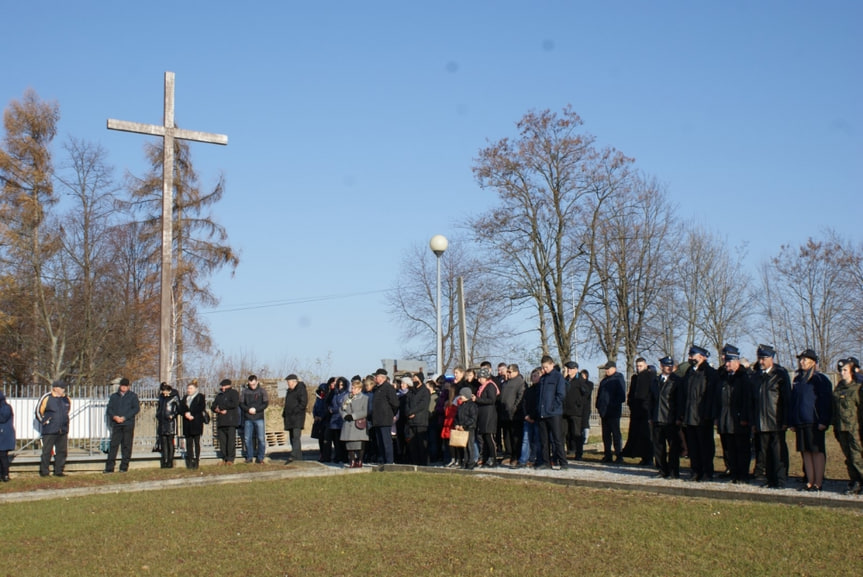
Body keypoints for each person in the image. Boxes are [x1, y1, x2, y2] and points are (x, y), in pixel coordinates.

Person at [789, 348, 832, 492]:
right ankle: (810, 480)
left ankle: (818, 482)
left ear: (813, 362)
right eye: (801, 359)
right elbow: (794, 401)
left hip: (814, 421)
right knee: (805, 451)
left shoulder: (820, 379)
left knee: (816, 451)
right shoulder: (798, 379)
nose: (802, 362)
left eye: (805, 359)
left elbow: (825, 401)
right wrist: (792, 421)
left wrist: (824, 420)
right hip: (801, 421)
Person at [750, 344, 791, 489]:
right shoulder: (757, 376)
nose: (761, 361)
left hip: (776, 419)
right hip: (761, 419)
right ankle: (770, 479)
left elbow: (786, 399)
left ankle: (780, 480)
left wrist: (786, 419)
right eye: (759, 358)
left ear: (771, 358)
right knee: (765, 452)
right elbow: (754, 401)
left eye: (764, 358)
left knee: (778, 452)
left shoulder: (780, 374)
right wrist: (754, 421)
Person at [680, 345, 719, 482]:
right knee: (693, 446)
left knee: (705, 446)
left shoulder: (710, 373)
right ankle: (695, 471)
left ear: (701, 357)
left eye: (693, 355)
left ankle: (707, 472)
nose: (690, 358)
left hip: (703, 416)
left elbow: (712, 396)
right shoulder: (689, 372)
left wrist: (710, 414)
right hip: (690, 415)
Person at [716, 347, 752, 484]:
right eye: (726, 362)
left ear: (737, 362)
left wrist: (744, 417)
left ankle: (743, 474)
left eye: (730, 362)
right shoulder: (724, 377)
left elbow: (747, 399)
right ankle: (734, 472)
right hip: (725, 417)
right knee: (729, 447)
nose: (727, 364)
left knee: (741, 448)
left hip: (738, 418)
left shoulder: (743, 377)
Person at [833, 358, 863, 495]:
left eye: (845, 370)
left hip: (854, 428)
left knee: (857, 456)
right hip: (841, 427)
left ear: (851, 372)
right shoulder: (839, 388)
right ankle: (855, 481)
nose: (842, 373)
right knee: (849, 457)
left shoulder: (857, 388)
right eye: (840, 370)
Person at [649, 356, 682, 478]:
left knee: (673, 447)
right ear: (661, 366)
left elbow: (679, 401)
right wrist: (650, 416)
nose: (669, 368)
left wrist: (678, 417)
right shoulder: (655, 381)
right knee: (659, 447)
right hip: (657, 418)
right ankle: (662, 470)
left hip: (670, 418)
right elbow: (651, 400)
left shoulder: (677, 381)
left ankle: (673, 471)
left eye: (671, 365)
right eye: (667, 365)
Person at [622, 358, 655, 465]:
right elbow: (632, 392)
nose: (638, 368)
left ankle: (648, 458)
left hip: (645, 410)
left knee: (646, 435)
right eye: (637, 366)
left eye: (640, 366)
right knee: (637, 435)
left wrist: (648, 407)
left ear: (645, 365)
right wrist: (630, 402)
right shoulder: (635, 378)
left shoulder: (650, 376)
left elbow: (651, 393)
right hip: (636, 410)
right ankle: (640, 455)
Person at [104, 378, 140, 474]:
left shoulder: (133, 396)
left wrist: (125, 417)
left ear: (128, 387)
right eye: (122, 386)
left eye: (125, 386)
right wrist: (114, 417)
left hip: (128, 424)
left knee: (126, 446)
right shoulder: (114, 396)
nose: (123, 387)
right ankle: (109, 467)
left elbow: (136, 409)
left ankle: (124, 467)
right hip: (116, 424)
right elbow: (109, 409)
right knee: (113, 445)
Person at [37, 381, 71, 477]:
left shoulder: (66, 399)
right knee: (47, 451)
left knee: (62, 451)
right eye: (61, 388)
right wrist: (45, 422)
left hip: (63, 429)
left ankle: (59, 471)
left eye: (64, 388)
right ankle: (44, 472)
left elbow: (67, 411)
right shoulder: (47, 397)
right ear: (55, 388)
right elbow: (38, 412)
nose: (63, 390)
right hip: (50, 429)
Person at [596, 361, 626, 464]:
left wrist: (612, 405)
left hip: (613, 411)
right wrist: (598, 406)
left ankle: (618, 455)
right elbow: (600, 394)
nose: (607, 370)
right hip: (604, 412)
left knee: (616, 434)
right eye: (606, 369)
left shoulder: (618, 379)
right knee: (606, 435)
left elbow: (621, 396)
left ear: (614, 368)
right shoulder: (604, 380)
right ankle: (607, 455)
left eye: (608, 368)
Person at [371, 368, 399, 465]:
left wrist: (391, 413)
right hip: (377, 419)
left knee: (386, 441)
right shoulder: (376, 389)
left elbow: (395, 403)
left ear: (382, 378)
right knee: (380, 442)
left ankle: (389, 461)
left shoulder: (388, 388)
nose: (375, 378)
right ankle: (382, 460)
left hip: (385, 419)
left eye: (377, 376)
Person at [499, 364, 525, 467]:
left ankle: (516, 456)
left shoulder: (520, 382)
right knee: (506, 436)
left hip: (515, 415)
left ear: (516, 372)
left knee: (515, 437)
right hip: (504, 414)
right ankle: (508, 454)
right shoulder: (506, 382)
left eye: (510, 372)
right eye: (507, 372)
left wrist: (514, 408)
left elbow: (520, 397)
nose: (508, 374)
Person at [340, 377, 369, 468]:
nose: (352, 390)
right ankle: (352, 461)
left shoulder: (365, 398)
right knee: (349, 445)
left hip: (358, 424)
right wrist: (345, 415)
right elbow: (341, 408)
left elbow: (365, 411)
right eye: (352, 388)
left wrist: (353, 416)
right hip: (348, 424)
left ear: (359, 389)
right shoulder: (346, 397)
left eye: (355, 388)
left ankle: (359, 461)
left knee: (359, 444)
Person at [240, 374, 269, 464]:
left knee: (261, 438)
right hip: (248, 418)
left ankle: (260, 457)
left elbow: (265, 403)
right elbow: (241, 404)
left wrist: (257, 410)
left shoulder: (262, 391)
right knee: (247, 438)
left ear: (257, 382)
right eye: (250, 384)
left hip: (259, 417)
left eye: (254, 384)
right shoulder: (245, 392)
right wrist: (248, 410)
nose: (252, 386)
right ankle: (249, 457)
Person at [475, 367, 500, 468]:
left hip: (489, 414)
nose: (478, 380)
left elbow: (491, 400)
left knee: (489, 437)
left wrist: (477, 399)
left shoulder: (490, 386)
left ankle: (493, 458)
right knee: (484, 437)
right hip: (482, 414)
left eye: (480, 377)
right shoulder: (482, 387)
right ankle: (485, 457)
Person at [212, 378, 240, 465]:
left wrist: (222, 407)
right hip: (221, 421)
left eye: (224, 386)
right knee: (223, 441)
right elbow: (213, 406)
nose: (222, 387)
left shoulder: (234, 393)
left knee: (230, 441)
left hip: (231, 421)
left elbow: (234, 404)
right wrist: (217, 409)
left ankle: (230, 459)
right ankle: (224, 457)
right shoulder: (219, 395)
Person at [179, 380, 206, 469]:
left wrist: (192, 414)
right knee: (189, 443)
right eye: (188, 388)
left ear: (195, 389)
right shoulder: (185, 398)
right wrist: (185, 413)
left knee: (196, 442)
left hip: (196, 422)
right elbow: (181, 408)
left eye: (191, 388)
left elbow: (201, 407)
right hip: (187, 423)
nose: (189, 390)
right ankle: (190, 460)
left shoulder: (200, 397)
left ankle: (197, 460)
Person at [405, 373, 430, 466]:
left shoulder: (425, 391)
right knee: (412, 444)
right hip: (411, 422)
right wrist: (408, 412)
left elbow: (423, 405)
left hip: (421, 420)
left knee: (421, 443)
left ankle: (423, 463)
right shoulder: (411, 392)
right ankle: (414, 462)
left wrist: (413, 412)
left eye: (415, 378)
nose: (414, 380)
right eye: (413, 379)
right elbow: (407, 403)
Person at [282, 374, 308, 464]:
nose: (288, 384)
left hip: (297, 417)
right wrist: (284, 413)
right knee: (292, 437)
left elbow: (303, 403)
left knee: (296, 437)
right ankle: (298, 457)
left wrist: (295, 411)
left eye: (289, 382)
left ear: (294, 382)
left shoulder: (301, 389)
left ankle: (293, 455)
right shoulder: (289, 391)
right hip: (289, 418)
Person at [155, 382, 180, 468]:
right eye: (163, 391)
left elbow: (178, 409)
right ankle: (164, 460)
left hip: (170, 422)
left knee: (170, 442)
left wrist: (172, 415)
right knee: (164, 442)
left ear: (169, 390)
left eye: (165, 391)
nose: (164, 393)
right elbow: (159, 408)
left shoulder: (174, 397)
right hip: (162, 422)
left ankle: (170, 460)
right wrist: (158, 415)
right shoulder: (161, 398)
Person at [453, 387, 478, 470]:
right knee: (464, 446)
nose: (460, 397)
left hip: (469, 428)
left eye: (462, 395)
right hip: (461, 428)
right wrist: (456, 424)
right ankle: (465, 461)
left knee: (470, 446)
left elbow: (473, 418)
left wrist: (464, 426)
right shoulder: (461, 406)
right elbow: (456, 417)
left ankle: (471, 462)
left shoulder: (472, 405)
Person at [312, 384, 331, 462]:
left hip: (325, 421)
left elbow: (326, 409)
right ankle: (321, 454)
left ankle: (326, 455)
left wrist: (322, 417)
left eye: (323, 391)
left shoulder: (327, 398)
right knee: (320, 439)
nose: (322, 392)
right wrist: (315, 416)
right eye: (321, 391)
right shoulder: (318, 398)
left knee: (326, 440)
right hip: (318, 422)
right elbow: (315, 408)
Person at [578, 369, 594, 460]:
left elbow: (586, 392)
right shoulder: (579, 384)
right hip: (579, 408)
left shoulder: (590, 384)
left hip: (586, 407)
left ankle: (586, 437)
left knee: (585, 423)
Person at [0, 391, 15, 482]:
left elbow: (3, 418)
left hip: (4, 436)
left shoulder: (6, 408)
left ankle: (5, 475)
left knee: (3, 456)